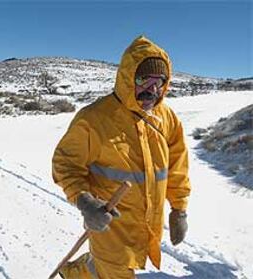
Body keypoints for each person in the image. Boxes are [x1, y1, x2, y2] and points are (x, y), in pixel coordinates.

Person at [52, 36, 191, 279]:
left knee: (110, 269)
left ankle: (77, 271)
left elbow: (177, 165)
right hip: (110, 226)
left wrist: (179, 209)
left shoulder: (167, 118)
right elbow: (66, 164)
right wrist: (85, 202)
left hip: (148, 223)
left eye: (160, 82)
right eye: (143, 79)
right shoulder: (94, 119)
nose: (152, 89)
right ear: (127, 78)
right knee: (114, 270)